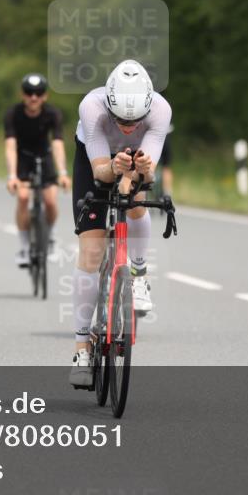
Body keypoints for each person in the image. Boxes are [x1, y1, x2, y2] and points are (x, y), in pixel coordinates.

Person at [67, 59, 171, 387]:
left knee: (137, 202)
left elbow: (149, 174)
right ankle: (82, 346)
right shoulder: (92, 107)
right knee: (92, 251)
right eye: (121, 120)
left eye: (135, 121)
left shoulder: (160, 110)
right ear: (110, 107)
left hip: (132, 160)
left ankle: (138, 274)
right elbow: (100, 172)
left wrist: (137, 171)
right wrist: (115, 167)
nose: (128, 126)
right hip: (94, 159)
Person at [4, 73, 70, 267]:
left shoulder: (53, 114)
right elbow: (10, 145)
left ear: (45, 96)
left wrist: (63, 173)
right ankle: (24, 247)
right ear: (22, 95)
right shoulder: (12, 114)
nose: (34, 97)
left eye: (38, 93)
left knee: (50, 200)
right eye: (29, 92)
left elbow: (57, 144)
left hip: (45, 156)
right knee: (23, 197)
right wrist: (12, 176)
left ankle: (50, 238)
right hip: (23, 158)